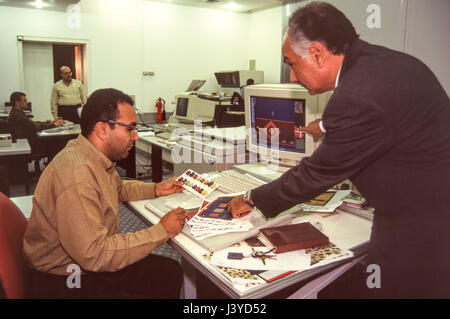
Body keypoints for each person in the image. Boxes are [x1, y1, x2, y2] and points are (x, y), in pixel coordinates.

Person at [229, 2, 450, 298]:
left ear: (318, 54)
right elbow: (380, 121)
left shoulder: (359, 94)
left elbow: (315, 174)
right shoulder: (383, 63)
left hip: (420, 224)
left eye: (292, 64)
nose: (293, 77)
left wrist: (252, 198)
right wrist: (326, 126)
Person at [24, 88, 186, 298]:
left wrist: (155, 188)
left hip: (79, 264)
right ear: (102, 130)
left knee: (167, 272)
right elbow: (96, 255)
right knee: (163, 276)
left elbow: (118, 188)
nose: (135, 137)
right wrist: (161, 231)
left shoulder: (90, 156)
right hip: (63, 280)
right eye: (130, 129)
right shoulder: (77, 173)